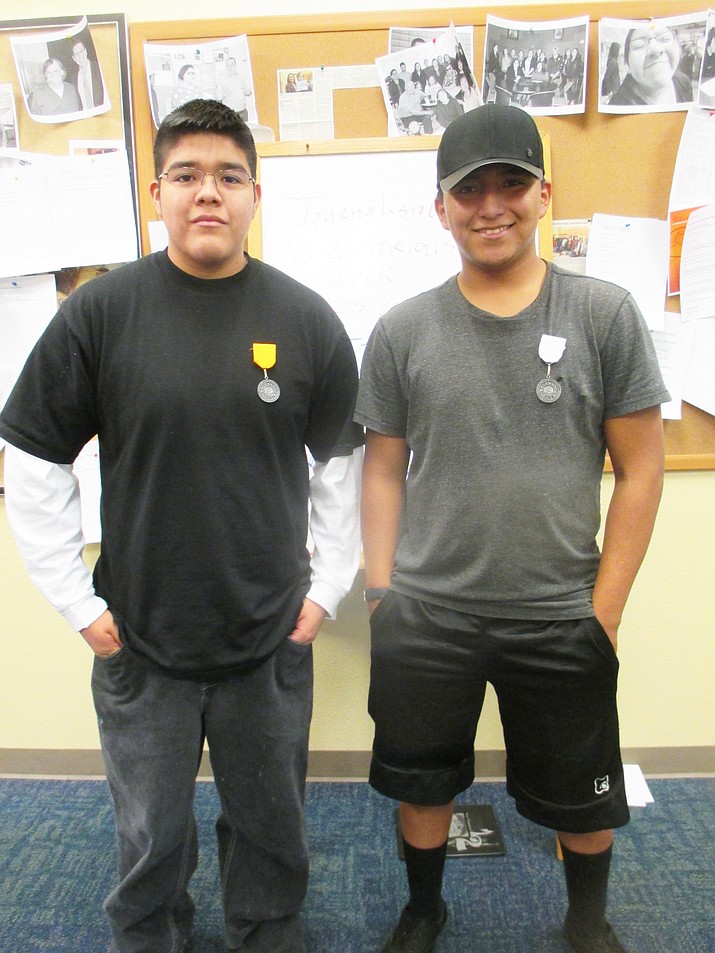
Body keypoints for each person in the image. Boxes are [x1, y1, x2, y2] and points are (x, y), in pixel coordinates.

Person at [0, 98, 363, 953]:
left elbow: (340, 468)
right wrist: (75, 604)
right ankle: (152, 937)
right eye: (189, 176)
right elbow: (35, 455)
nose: (210, 192)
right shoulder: (100, 314)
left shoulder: (306, 319)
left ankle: (267, 934)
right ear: (156, 192)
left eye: (229, 176)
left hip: (268, 636)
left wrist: (325, 593)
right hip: (141, 641)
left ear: (254, 195)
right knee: (150, 837)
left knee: (273, 828)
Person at [355, 103, 669, 953]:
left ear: (542, 196)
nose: (489, 206)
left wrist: (601, 612)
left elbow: (643, 469)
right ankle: (425, 909)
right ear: (440, 207)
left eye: (510, 185)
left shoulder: (605, 314)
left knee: (583, 793)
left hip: (559, 611)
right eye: (468, 191)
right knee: (422, 782)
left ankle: (585, 918)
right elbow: (380, 467)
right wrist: (382, 591)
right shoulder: (401, 329)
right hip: (428, 613)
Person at [609, 24, 692, 106]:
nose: (655, 49)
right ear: (627, 65)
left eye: (664, 38)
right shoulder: (617, 106)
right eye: (639, 45)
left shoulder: (683, 81)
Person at [70, 39, 104, 109]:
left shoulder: (100, 68)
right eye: (76, 54)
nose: (80, 56)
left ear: (85, 51)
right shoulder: (74, 79)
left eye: (81, 51)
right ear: (74, 58)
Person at [216, 56, 253, 120]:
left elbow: (247, 93)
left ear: (235, 66)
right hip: (231, 114)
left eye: (232, 64)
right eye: (228, 65)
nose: (230, 67)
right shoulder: (222, 79)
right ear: (226, 67)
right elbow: (218, 98)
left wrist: (249, 91)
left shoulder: (241, 77)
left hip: (243, 112)